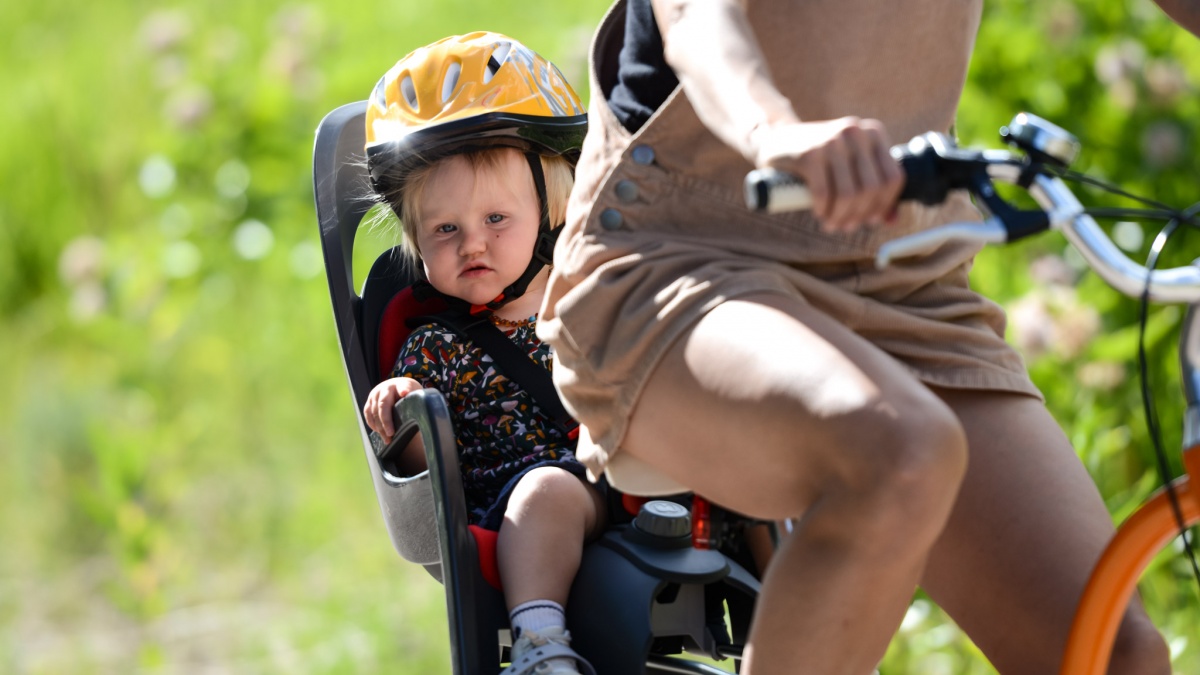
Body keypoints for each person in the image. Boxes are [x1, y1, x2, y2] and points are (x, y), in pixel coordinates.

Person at [538, 1, 1200, 674]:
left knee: (1112, 654)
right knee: (899, 451)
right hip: (680, 253)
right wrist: (775, 131)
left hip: (905, 274)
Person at [359, 32, 600, 675]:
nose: (472, 244)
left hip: (628, 478)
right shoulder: (433, 348)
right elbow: (426, 469)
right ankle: (540, 645)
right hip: (518, 502)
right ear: (415, 242)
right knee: (545, 490)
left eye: (497, 220)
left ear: (552, 212)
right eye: (445, 230)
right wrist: (403, 411)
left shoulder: (594, 305)